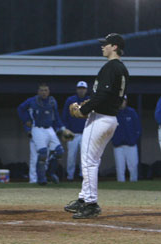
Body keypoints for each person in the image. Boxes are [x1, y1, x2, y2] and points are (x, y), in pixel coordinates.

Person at [64, 33, 129, 219]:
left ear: (114, 47)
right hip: (110, 118)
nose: (103, 47)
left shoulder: (111, 67)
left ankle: (91, 203)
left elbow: (103, 96)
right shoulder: (121, 68)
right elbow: (106, 96)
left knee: (88, 161)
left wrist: (84, 110)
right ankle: (84, 198)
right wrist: (87, 105)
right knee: (92, 160)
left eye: (106, 44)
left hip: (100, 118)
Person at [17, 83, 73, 185]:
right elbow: (20, 108)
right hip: (37, 128)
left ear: (49, 91)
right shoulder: (32, 101)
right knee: (42, 153)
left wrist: (63, 129)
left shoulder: (52, 101)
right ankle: (41, 179)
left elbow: (56, 117)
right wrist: (26, 120)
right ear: (38, 91)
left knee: (59, 151)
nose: (44, 92)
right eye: (42, 90)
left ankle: (49, 173)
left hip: (49, 129)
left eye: (46, 90)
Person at [62, 81, 89, 181]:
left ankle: (84, 176)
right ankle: (70, 176)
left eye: (83, 88)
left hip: (85, 133)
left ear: (86, 90)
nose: (81, 90)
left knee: (85, 156)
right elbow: (65, 116)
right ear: (77, 89)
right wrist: (66, 129)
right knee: (71, 156)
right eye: (79, 88)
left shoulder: (89, 100)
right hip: (72, 133)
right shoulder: (71, 100)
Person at [112, 95, 141, 182]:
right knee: (120, 167)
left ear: (126, 101)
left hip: (131, 145)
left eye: (123, 100)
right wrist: (114, 140)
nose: (122, 102)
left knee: (133, 166)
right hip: (118, 146)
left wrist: (133, 140)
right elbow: (109, 129)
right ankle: (121, 185)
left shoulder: (132, 112)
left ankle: (134, 183)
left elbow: (138, 128)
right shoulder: (114, 112)